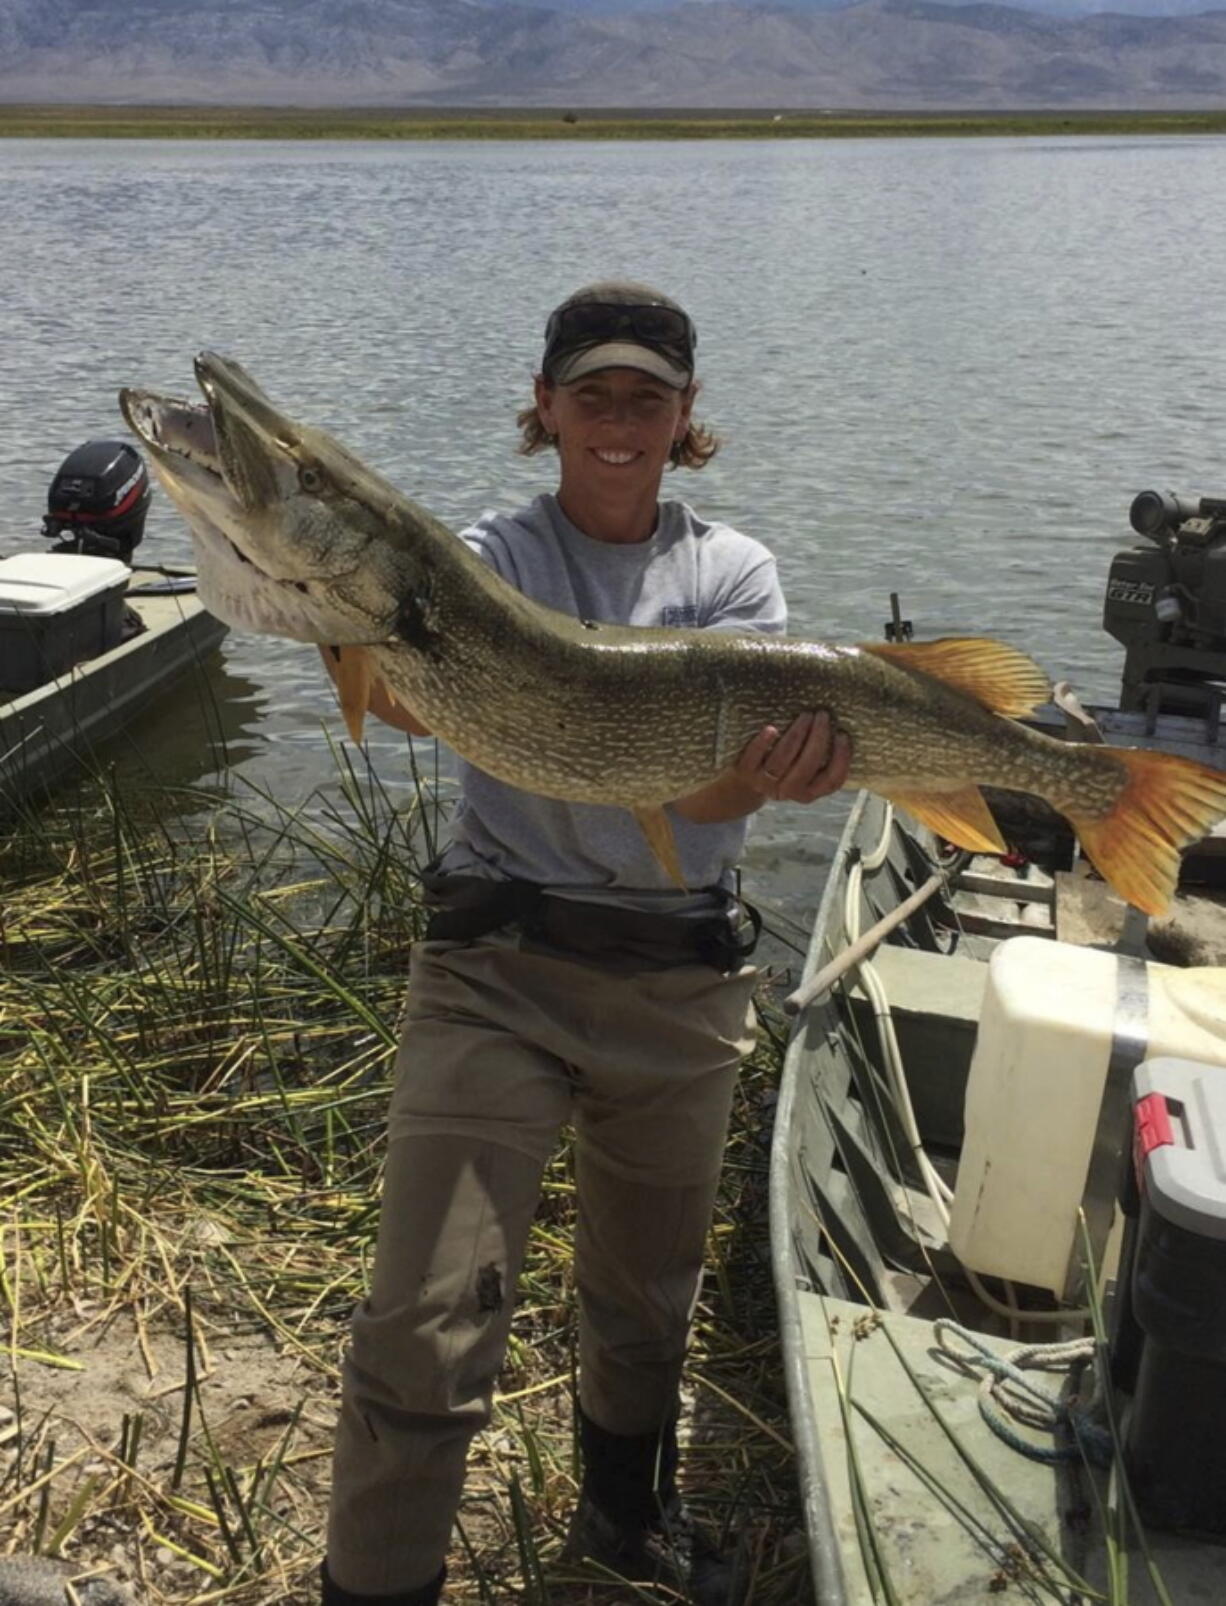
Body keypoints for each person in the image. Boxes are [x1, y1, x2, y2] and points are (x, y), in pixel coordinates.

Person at [318, 281, 851, 1606]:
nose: (618, 423)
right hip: (493, 971)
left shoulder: (731, 574)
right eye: (593, 396)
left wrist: (762, 776)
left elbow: (698, 795)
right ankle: (374, 1584)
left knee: (643, 1300)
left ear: (685, 420)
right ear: (545, 407)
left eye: (647, 400)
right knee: (425, 1317)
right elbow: (397, 699)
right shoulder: (484, 563)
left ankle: (623, 1523)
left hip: (676, 980)